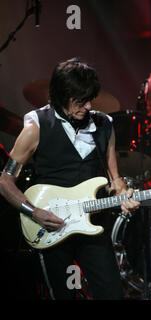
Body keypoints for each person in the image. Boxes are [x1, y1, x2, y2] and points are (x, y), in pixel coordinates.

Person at [0, 58, 140, 300]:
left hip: (93, 227)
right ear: (61, 95)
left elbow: (115, 179)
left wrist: (124, 195)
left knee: (112, 294)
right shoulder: (37, 125)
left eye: (89, 99)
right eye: (79, 100)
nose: (87, 105)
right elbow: (5, 180)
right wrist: (33, 212)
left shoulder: (104, 125)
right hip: (50, 227)